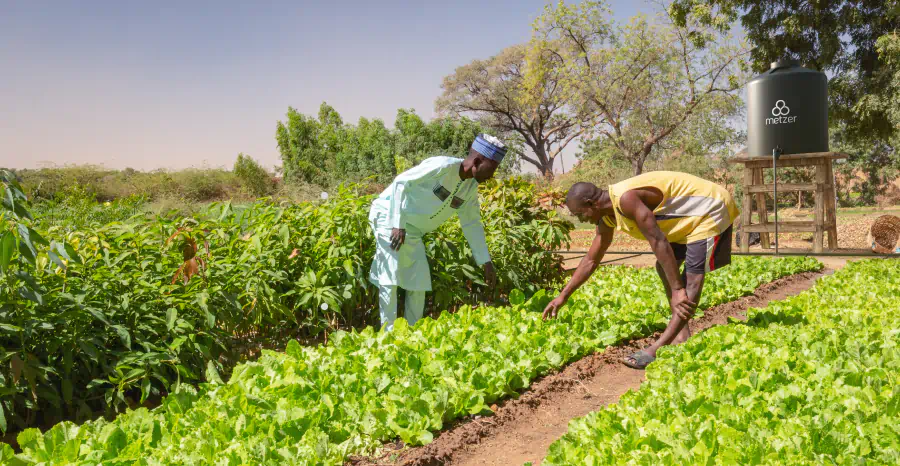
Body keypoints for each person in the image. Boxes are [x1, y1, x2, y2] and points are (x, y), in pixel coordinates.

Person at [543, 171, 739, 369]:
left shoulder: (626, 199)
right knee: (664, 268)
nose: (581, 219)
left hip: (709, 209)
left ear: (590, 204)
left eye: (580, 214)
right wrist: (563, 296)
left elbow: (658, 240)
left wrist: (678, 290)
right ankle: (681, 335)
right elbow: (591, 260)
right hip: (687, 220)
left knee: (691, 281)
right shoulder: (606, 218)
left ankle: (655, 349)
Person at [368, 134, 506, 331]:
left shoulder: (469, 188)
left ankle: (412, 332)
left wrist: (485, 261)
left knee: (418, 280)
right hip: (388, 217)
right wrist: (397, 223)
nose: (492, 175)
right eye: (491, 169)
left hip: (413, 231)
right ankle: (387, 335)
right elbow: (400, 183)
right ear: (477, 161)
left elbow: (472, 223)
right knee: (389, 277)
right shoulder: (442, 166)